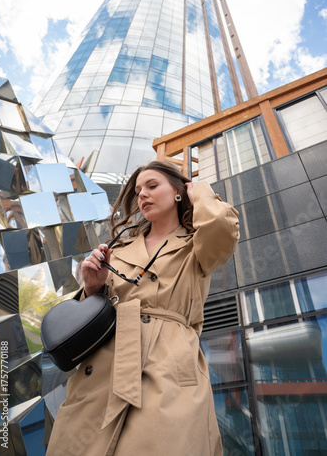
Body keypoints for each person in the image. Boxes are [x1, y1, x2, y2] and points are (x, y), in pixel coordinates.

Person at [46, 160, 240, 456]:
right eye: (138, 191)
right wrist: (92, 287)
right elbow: (92, 319)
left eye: (152, 186)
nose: (142, 195)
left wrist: (199, 192)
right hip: (104, 370)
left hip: (169, 369)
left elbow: (220, 227)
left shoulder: (196, 247)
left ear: (178, 192)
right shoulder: (117, 250)